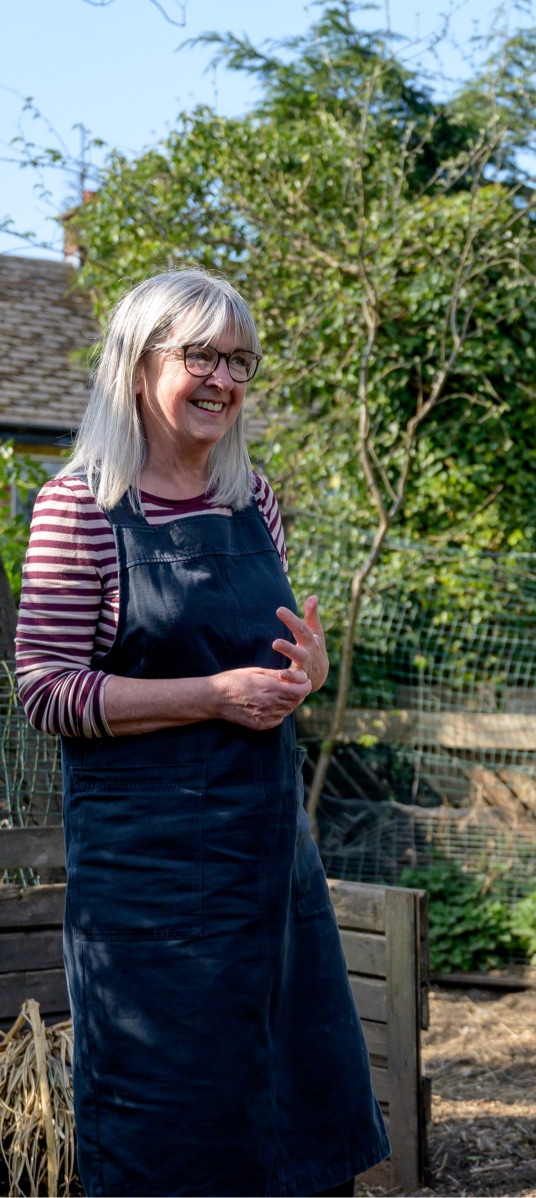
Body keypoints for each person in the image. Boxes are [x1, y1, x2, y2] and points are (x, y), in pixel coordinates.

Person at [15, 269, 390, 1197]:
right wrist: (213, 694)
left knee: (296, 1102)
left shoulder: (248, 498)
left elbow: (267, 661)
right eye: (201, 357)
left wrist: (307, 674)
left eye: (240, 360)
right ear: (138, 367)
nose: (224, 379)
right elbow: (46, 689)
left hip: (266, 861)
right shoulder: (82, 508)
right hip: (152, 886)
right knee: (174, 1127)